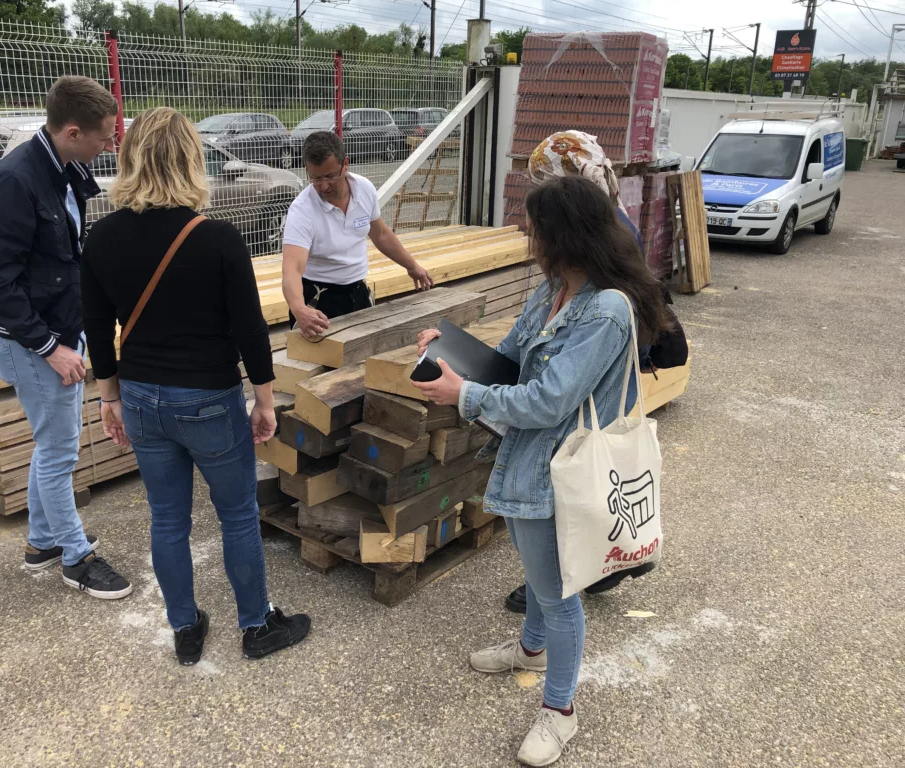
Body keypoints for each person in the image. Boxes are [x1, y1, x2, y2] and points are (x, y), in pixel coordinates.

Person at [412, 176, 671, 766]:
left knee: (557, 594)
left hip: (564, 468)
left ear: (564, 234)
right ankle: (531, 650)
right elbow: (506, 362)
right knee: (537, 569)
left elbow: (548, 400)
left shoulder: (605, 310)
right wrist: (448, 351)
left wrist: (464, 396)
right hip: (532, 462)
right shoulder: (554, 288)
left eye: (534, 229)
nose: (527, 238)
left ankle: (561, 711)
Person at [80, 107, 311, 666]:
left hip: (139, 396)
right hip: (208, 397)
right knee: (235, 515)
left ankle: (185, 627)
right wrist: (263, 399)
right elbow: (249, 329)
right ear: (192, 160)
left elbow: (96, 327)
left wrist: (108, 398)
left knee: (167, 519)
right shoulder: (218, 238)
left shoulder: (102, 236)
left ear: (132, 159)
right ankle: (255, 626)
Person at [0, 75, 131, 599]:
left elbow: (64, 255)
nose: (111, 144)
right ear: (71, 130)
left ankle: (42, 542)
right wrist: (50, 347)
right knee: (61, 452)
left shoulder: (64, 167)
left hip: (60, 328)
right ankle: (75, 558)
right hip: (31, 342)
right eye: (106, 135)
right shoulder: (15, 181)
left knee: (51, 447)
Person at [502, 130, 657, 614]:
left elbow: (561, 388)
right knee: (594, 469)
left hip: (598, 369)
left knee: (591, 467)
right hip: (594, 365)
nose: (531, 239)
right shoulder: (598, 227)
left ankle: (584, 567)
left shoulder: (600, 249)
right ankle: (587, 562)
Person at [281, 131, 434, 338]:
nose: (323, 186)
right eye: (315, 178)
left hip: (358, 291)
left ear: (345, 164)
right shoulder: (302, 210)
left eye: (330, 176)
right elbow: (292, 269)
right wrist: (299, 309)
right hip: (318, 298)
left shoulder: (364, 189)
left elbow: (380, 234)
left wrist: (412, 266)